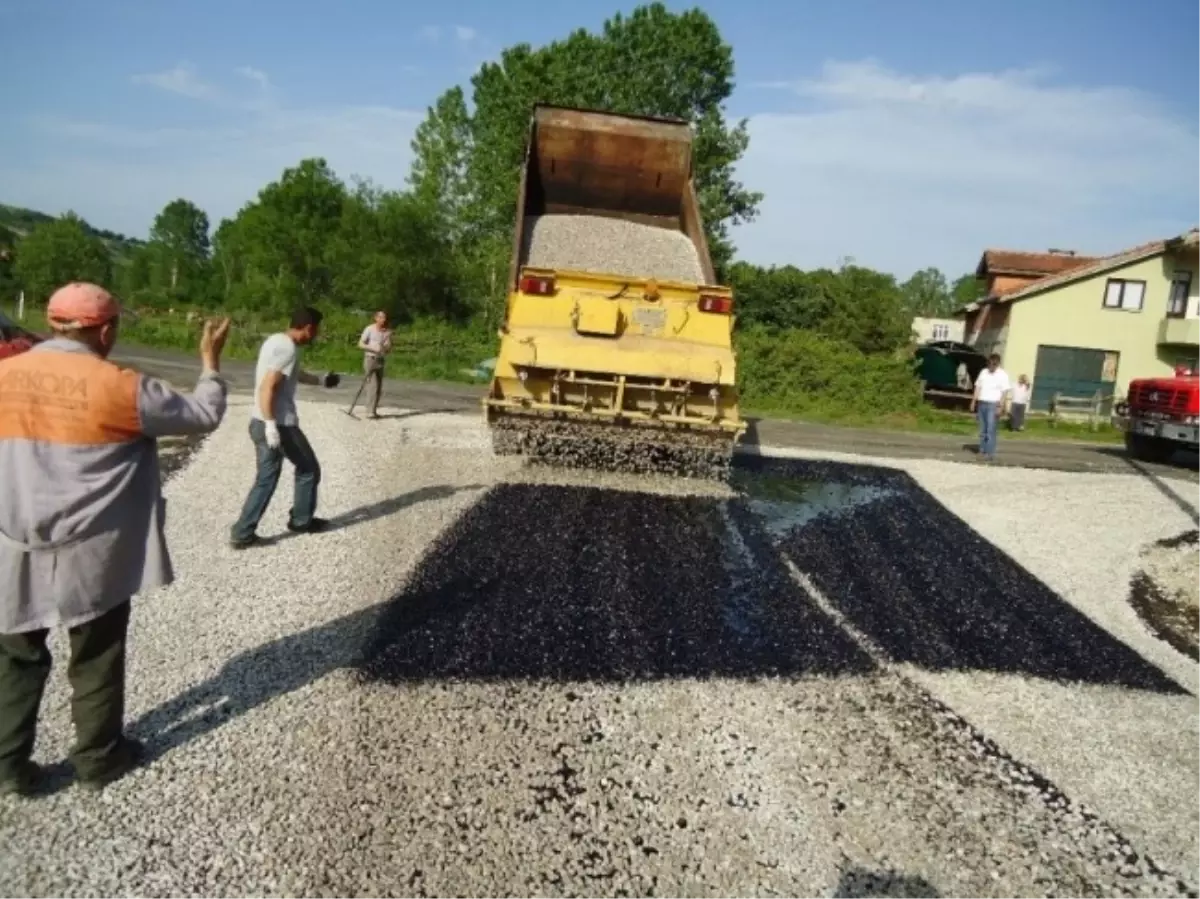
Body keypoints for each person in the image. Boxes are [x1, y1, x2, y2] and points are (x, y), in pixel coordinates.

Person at [0, 282, 230, 795]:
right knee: (97, 654)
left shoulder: (3, 375)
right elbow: (203, 415)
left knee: (15, 657)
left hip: (9, 544)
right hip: (92, 553)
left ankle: (8, 768)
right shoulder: (121, 386)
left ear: (51, 319)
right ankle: (98, 759)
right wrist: (211, 365)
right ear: (105, 330)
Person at [229, 306, 341, 549]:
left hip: (260, 420)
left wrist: (321, 380)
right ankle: (299, 521)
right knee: (308, 468)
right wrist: (272, 425)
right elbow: (268, 387)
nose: (316, 335)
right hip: (279, 423)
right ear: (309, 327)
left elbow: (292, 374)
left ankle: (243, 532)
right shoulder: (288, 349)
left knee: (267, 478)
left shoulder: (276, 341)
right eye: (317, 330)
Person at [970, 352, 1011, 462]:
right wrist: (974, 401)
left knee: (990, 430)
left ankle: (990, 452)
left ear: (997, 364)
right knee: (982, 429)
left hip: (993, 404)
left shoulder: (1003, 375)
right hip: (982, 402)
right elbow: (978, 386)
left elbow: (1004, 392)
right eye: (990, 364)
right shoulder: (984, 372)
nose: (991, 366)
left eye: (994, 364)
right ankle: (982, 450)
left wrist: (1000, 406)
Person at [357, 310, 393, 419]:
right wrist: (373, 348)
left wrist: (386, 347)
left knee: (378, 387)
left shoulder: (387, 332)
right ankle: (369, 411)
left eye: (385, 318)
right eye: (381, 317)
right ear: (376, 318)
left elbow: (388, 348)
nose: (383, 320)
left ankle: (373, 410)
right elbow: (360, 344)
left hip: (380, 360)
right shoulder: (369, 329)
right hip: (370, 359)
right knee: (373, 384)